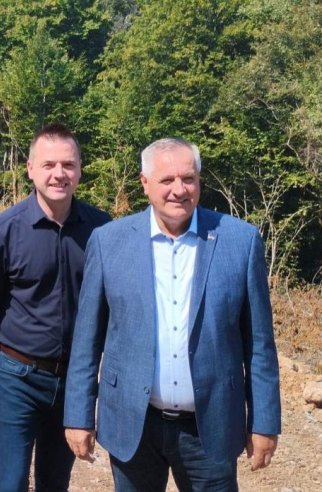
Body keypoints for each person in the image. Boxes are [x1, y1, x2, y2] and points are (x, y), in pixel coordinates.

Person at [64, 137, 281, 491]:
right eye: (167, 180)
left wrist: (264, 422)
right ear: (145, 183)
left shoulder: (240, 242)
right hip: (134, 423)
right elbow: (87, 341)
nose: (179, 190)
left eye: (189, 179)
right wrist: (77, 415)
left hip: (210, 427)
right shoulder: (109, 242)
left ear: (199, 181)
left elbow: (259, 344)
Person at [0, 123, 111, 491]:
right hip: (18, 376)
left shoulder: (102, 231)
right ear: (30, 168)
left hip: (74, 382)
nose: (58, 174)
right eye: (48, 165)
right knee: (10, 482)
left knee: (54, 483)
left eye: (67, 165)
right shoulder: (6, 229)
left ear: (79, 170)